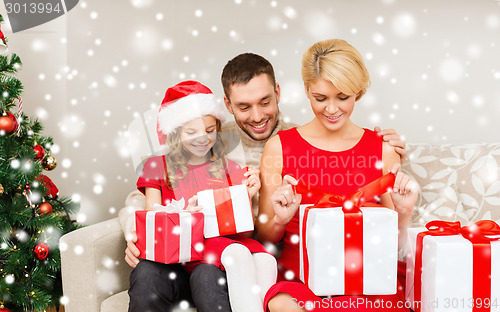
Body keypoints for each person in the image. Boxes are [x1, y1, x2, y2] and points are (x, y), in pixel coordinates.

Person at [123, 53, 408, 311]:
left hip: (235, 261)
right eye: (244, 106)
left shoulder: (300, 139)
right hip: (191, 252)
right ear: (227, 105)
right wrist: (136, 235)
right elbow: (154, 188)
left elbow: (356, 170)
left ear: (278, 93)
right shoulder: (209, 138)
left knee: (211, 276)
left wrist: (384, 153)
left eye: (265, 102)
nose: (257, 116)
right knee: (148, 273)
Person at [257, 39, 419, 312]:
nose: (331, 110)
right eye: (321, 98)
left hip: (368, 280)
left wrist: (404, 215)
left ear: (359, 92)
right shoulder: (278, 147)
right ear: (307, 90)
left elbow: (394, 244)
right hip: (300, 279)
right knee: (282, 303)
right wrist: (280, 219)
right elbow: (265, 237)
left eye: (342, 97)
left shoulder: (383, 150)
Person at [128, 80, 276, 312]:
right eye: (191, 132)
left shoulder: (229, 169)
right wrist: (183, 218)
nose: (202, 139)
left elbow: (242, 232)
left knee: (225, 271)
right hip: (174, 260)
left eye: (209, 131)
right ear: (175, 132)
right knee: (147, 272)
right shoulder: (156, 167)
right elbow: (152, 220)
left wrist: (245, 197)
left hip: (212, 261)